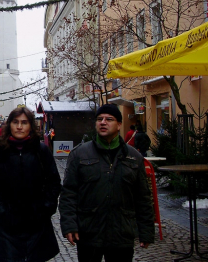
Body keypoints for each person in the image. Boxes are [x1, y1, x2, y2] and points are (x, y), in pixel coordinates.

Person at [59, 104, 154, 262]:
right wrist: (69, 224)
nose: (103, 122)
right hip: (89, 233)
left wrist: (146, 231)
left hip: (121, 234)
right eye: (99, 119)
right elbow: (69, 193)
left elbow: (142, 197)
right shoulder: (79, 154)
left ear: (119, 125)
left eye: (109, 119)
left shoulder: (134, 157)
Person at [0, 107, 61, 262]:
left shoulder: (41, 151)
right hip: (8, 224)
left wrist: (46, 208)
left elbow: (54, 182)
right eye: (15, 122)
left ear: (30, 126)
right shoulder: (0, 150)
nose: (19, 126)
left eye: (24, 122)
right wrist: (1, 211)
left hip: (37, 223)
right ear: (9, 125)